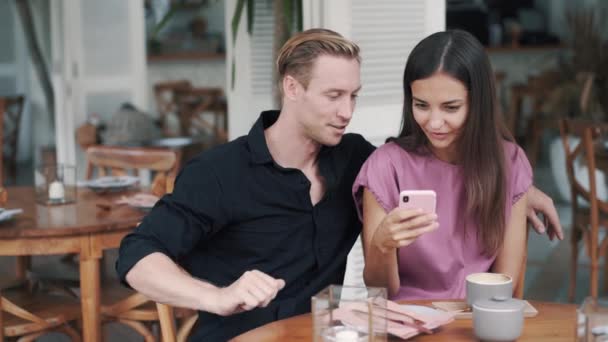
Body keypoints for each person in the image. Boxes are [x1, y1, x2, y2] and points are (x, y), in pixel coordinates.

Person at [116, 29, 563, 340]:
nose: (347, 111)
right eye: (333, 96)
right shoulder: (217, 173)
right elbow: (136, 256)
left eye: (354, 95)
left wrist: (519, 188)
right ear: (292, 88)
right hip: (241, 336)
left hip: (323, 334)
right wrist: (217, 296)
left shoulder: (355, 159)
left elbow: (433, 165)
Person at [352, 29, 535, 300]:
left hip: (477, 319)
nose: (434, 123)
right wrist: (382, 245)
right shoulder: (385, 165)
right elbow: (380, 292)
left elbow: (502, 288)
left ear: (478, 104)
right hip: (407, 323)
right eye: (421, 105)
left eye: (451, 108)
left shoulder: (511, 163)